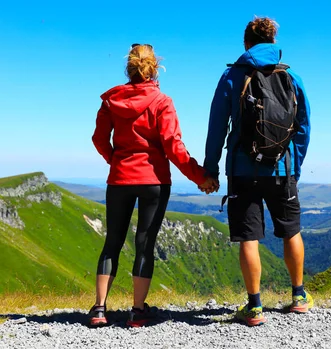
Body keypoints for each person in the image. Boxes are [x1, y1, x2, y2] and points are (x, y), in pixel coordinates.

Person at [90, 43, 217, 327]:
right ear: (155, 69)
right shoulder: (162, 102)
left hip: (120, 179)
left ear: (129, 68)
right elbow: (174, 146)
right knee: (144, 245)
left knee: (112, 243)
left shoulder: (111, 100)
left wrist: (116, 160)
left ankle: (99, 309)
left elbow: (99, 139)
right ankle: (137, 311)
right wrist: (201, 177)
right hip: (154, 181)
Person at [203, 17, 312, 326]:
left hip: (243, 169)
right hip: (283, 168)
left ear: (246, 43)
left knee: (249, 236)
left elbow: (217, 128)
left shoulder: (232, 76)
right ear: (274, 42)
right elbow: (303, 129)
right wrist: (296, 166)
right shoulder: (292, 77)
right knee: (291, 230)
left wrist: (210, 168)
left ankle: (254, 307)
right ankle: (299, 296)